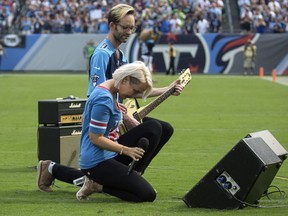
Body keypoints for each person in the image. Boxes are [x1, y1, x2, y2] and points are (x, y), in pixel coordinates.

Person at [36, 3, 183, 199]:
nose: (129, 32)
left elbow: (133, 89)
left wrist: (168, 89)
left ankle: (54, 169)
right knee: (153, 128)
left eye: (132, 28)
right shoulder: (102, 54)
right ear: (112, 25)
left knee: (164, 128)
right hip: (106, 120)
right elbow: (95, 93)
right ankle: (131, 178)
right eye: (125, 27)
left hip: (114, 118)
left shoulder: (120, 54)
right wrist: (120, 113)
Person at [77, 61, 157, 202]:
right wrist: (126, 150)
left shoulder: (111, 91)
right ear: (125, 79)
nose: (135, 95)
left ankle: (113, 181)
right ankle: (97, 186)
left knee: (157, 127)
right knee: (147, 195)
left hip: (108, 154)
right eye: (135, 90)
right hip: (96, 162)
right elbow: (95, 138)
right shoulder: (104, 99)